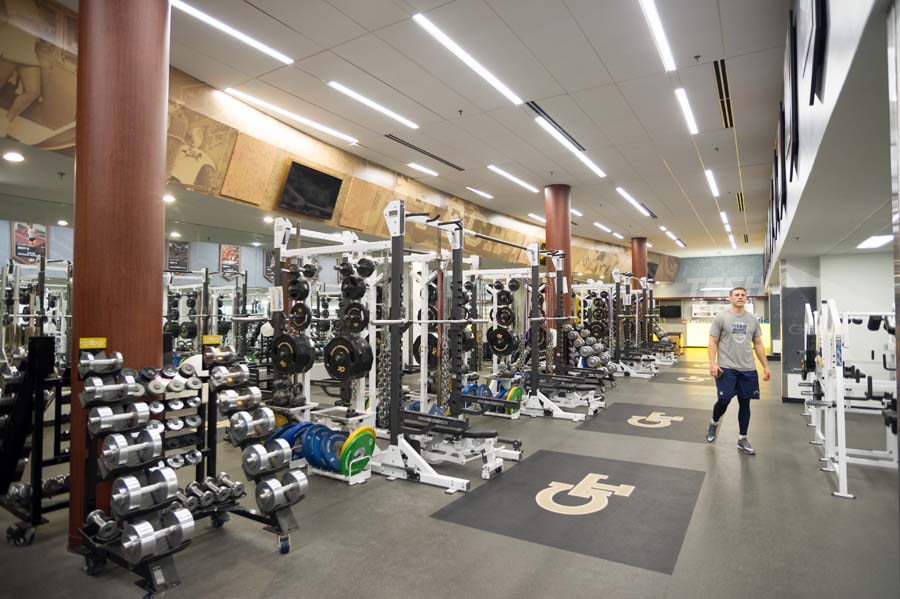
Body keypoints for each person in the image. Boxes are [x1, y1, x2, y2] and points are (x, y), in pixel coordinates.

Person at [705, 286, 771, 454]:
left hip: (748, 368)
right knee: (724, 400)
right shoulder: (721, 318)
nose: (740, 297)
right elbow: (712, 342)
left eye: (743, 295)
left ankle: (742, 438)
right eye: (737, 295)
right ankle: (713, 423)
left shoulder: (752, 320)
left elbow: (758, 344)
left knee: (745, 403)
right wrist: (712, 363)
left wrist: (765, 366)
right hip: (726, 368)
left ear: (746, 298)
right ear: (731, 298)